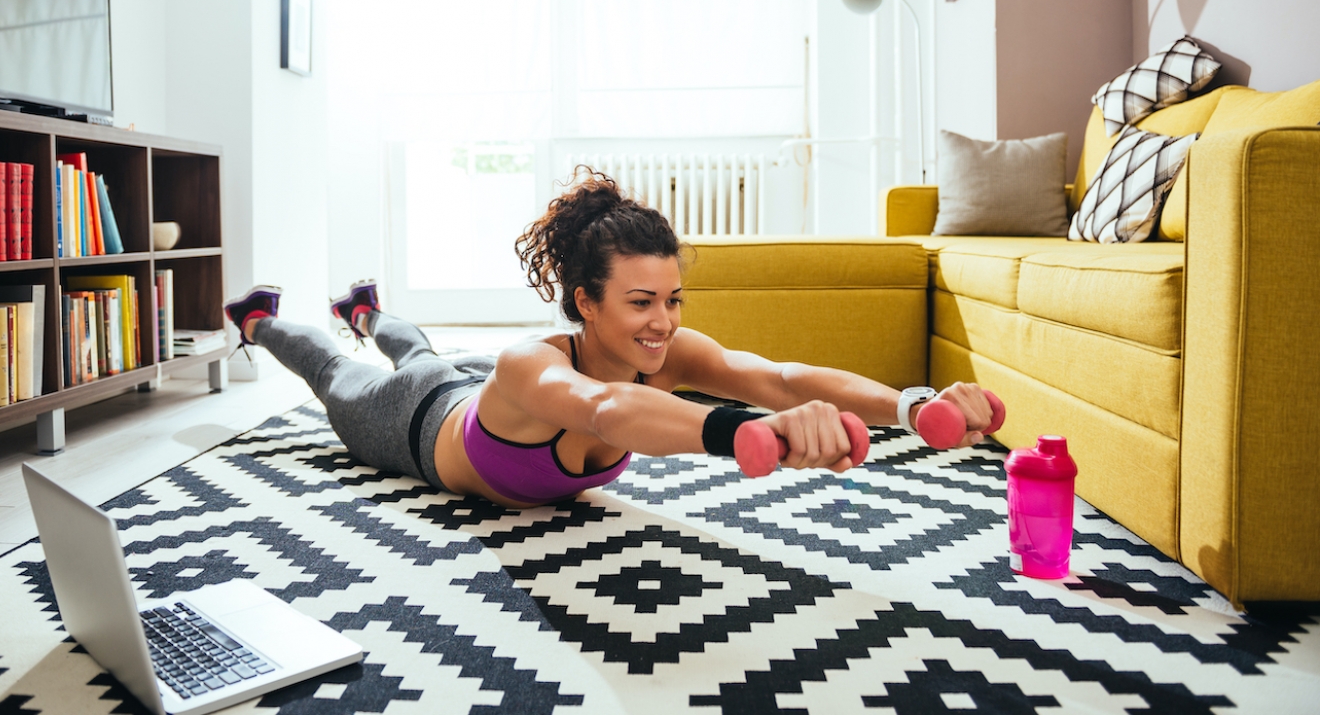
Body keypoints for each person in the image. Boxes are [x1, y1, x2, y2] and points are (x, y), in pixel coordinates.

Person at [222, 170, 996, 508]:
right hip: (411, 420)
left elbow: (785, 381)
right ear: (585, 303)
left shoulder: (667, 354)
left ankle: (366, 309)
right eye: (638, 302)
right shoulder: (534, 365)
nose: (662, 322)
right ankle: (261, 317)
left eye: (672, 299)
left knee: (419, 346)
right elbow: (608, 415)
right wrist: (747, 434)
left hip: (453, 387)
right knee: (338, 374)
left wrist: (913, 404)